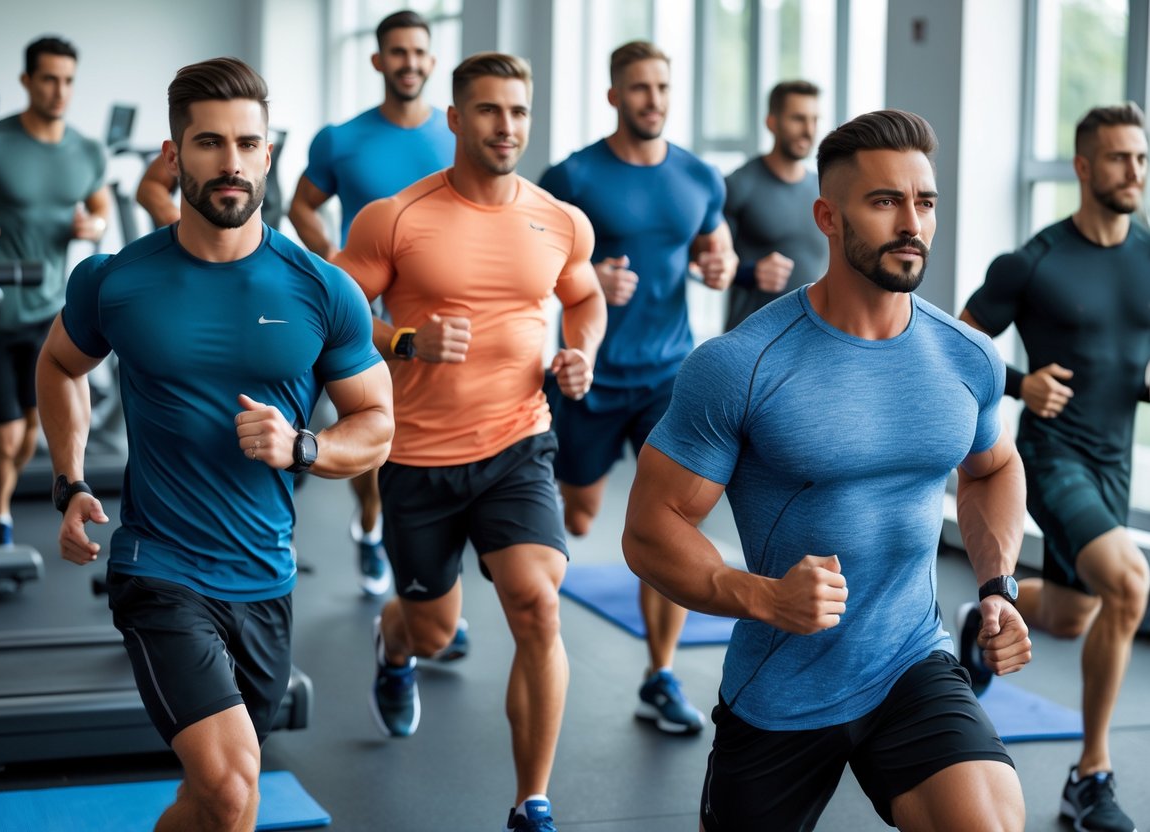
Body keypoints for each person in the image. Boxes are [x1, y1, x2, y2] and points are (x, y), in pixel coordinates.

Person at [623, 109, 1032, 831]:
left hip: (911, 658)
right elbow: (651, 529)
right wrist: (762, 597)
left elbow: (992, 469)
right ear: (827, 216)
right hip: (779, 686)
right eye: (884, 201)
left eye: (924, 202)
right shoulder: (742, 364)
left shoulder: (964, 357)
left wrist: (996, 584)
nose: (911, 222)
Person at [36, 57, 393, 832]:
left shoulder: (322, 289)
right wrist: (69, 482)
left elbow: (375, 426)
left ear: (268, 154)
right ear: (174, 155)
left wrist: (301, 448)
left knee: (210, 801)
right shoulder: (115, 280)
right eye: (207, 143)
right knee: (234, 789)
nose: (229, 162)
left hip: (264, 575)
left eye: (246, 144)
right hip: (158, 567)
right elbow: (59, 366)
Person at [336, 52, 606, 832]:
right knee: (435, 630)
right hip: (418, 458)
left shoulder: (558, 219)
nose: (505, 126)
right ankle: (395, 645)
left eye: (517, 111)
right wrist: (406, 340)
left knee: (537, 605)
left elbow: (582, 296)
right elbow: (338, 318)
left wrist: (580, 350)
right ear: (454, 119)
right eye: (488, 110)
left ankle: (531, 802)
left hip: (518, 445)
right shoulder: (395, 216)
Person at [959, 102, 1150, 832]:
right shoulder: (1032, 261)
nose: (1132, 170)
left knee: (1075, 614)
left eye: (1139, 158)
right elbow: (959, 343)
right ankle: (1089, 776)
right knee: (1129, 582)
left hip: (1111, 461)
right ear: (1081, 166)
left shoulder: (1145, 253)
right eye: (1117, 158)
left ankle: (979, 618)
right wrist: (1019, 384)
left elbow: (1124, 358)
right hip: (1049, 454)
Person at [537, 40, 736, 735]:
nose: (652, 99)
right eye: (638, 88)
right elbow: (534, 264)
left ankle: (661, 672)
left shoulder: (699, 177)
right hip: (591, 373)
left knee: (670, 526)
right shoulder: (574, 176)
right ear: (614, 96)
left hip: (668, 377)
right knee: (584, 515)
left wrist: (718, 265)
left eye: (661, 87)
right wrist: (586, 277)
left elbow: (715, 245)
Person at [289, 9, 454, 601]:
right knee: (372, 426)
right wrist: (333, 256)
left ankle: (434, 576)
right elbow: (302, 205)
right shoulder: (342, 139)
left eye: (419, 52)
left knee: (433, 438)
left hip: (439, 308)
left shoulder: (457, 135)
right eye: (398, 52)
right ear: (378, 60)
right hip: (369, 313)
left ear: (431, 62)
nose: (409, 62)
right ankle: (371, 524)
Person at [0, 35, 108, 545]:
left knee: (32, 434)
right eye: (50, 79)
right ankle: (0, 512)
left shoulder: (86, 151)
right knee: (6, 434)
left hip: (47, 313)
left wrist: (94, 227)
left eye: (69, 81)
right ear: (27, 81)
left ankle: (3, 501)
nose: (60, 91)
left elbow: (98, 207)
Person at [723, 79, 827, 330]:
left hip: (811, 341)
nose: (808, 130)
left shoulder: (823, 190)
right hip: (752, 343)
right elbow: (704, 264)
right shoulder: (738, 184)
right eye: (798, 119)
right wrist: (750, 273)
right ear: (772, 122)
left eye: (814, 120)